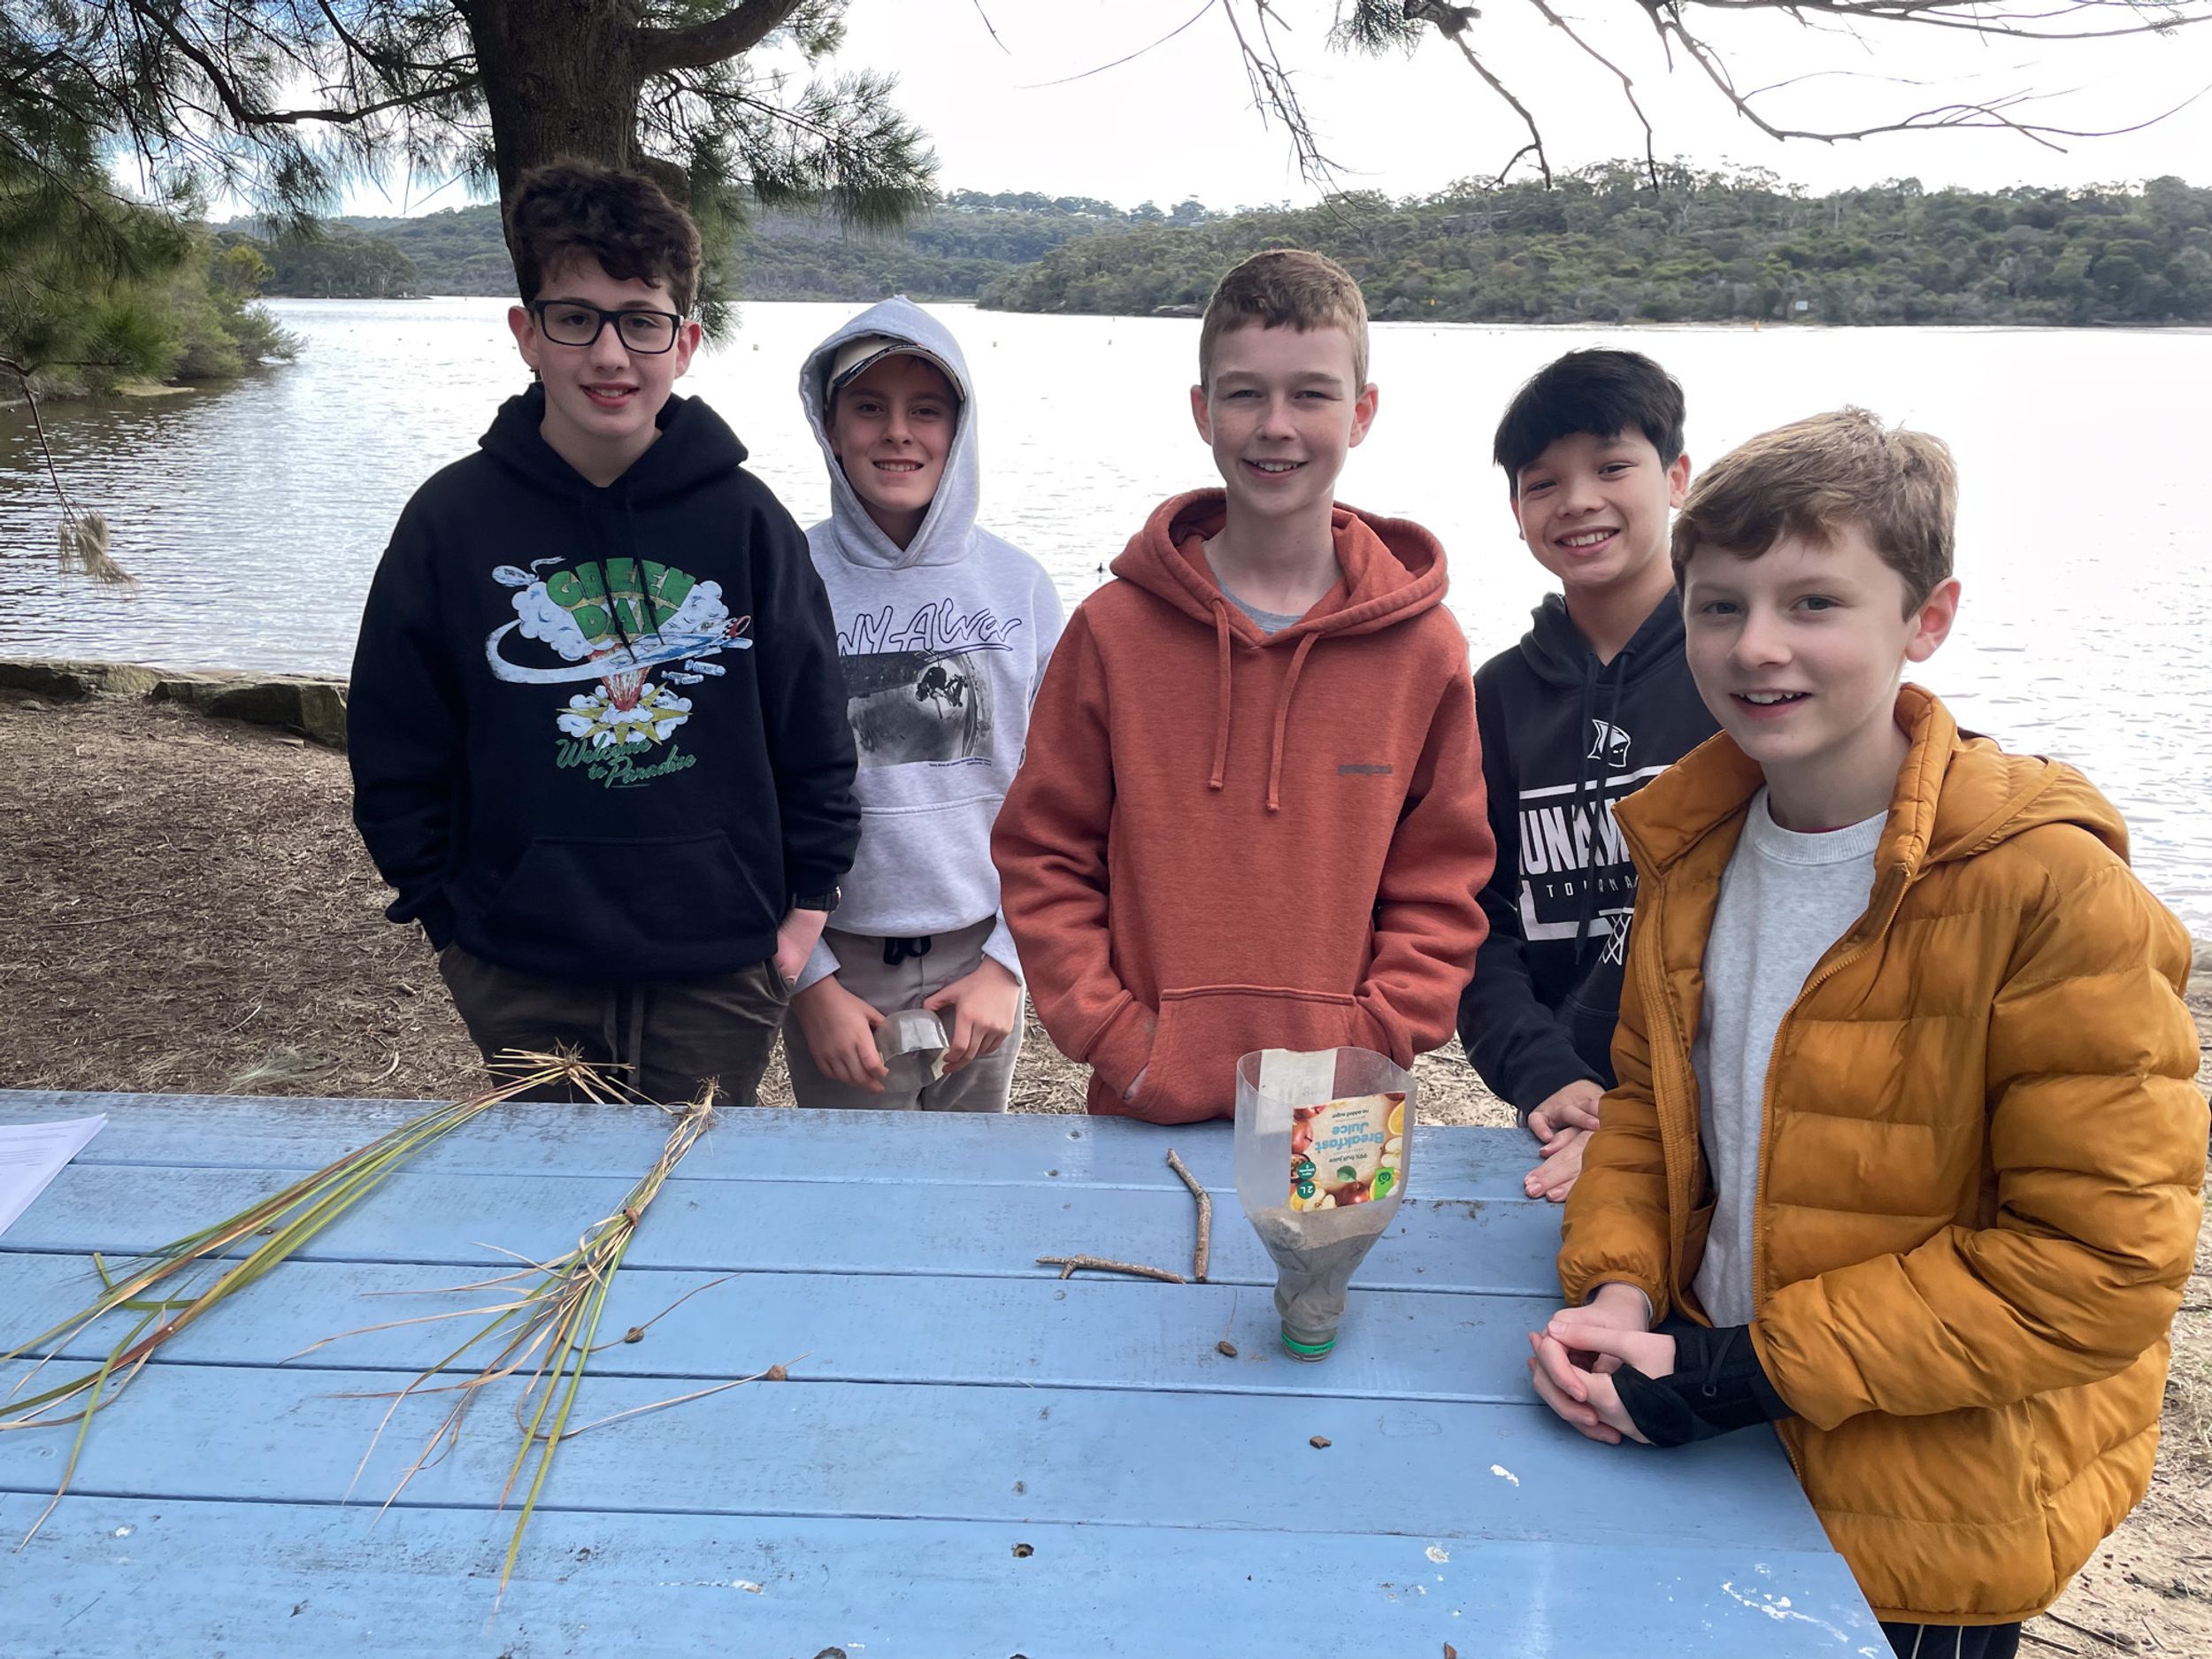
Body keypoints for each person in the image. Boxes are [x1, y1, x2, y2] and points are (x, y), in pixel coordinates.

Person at [1530, 410, 2206, 1657]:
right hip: (1715, 1432)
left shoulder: (2049, 889)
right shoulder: (1692, 842)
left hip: (1925, 1512)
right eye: (1720, 605)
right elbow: (1646, 1109)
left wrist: (1745, 1371)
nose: (1758, 645)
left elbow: (2100, 1267)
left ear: (1926, 619)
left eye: (1815, 602)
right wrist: (1620, 1288)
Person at [348, 159, 858, 1105]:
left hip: (722, 963)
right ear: (527, 334)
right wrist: (448, 922)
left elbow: (815, 730)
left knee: (690, 1185)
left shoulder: (747, 522)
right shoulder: (450, 521)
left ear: (685, 342)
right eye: (575, 318)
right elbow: (395, 738)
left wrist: (806, 908)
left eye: (641, 321)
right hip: (519, 964)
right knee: (549, 1190)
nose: (610, 355)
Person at [992, 250, 1494, 1124]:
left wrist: (1372, 1039)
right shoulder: (1112, 630)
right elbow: (1045, 854)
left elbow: (1442, 883)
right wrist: (1116, 1036)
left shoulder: (1425, 648)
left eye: (1311, 394)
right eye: (1244, 393)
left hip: (1343, 1110)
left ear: (1362, 412)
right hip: (1143, 1100)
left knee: (1329, 1231)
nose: (1276, 425)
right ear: (1202, 410)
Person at [784, 298, 1064, 1110]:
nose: (898, 433)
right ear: (830, 427)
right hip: (838, 966)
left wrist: (1009, 963)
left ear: (960, 427)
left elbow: (1069, 800)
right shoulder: (786, 578)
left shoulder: (1021, 588)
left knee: (968, 1178)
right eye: (869, 408)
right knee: (853, 1180)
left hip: (980, 961)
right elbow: (751, 796)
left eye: (926, 410)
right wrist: (811, 982)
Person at [1456, 349, 1717, 1203]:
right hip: (1562, 1108)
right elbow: (1475, 916)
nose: (1577, 500)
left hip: (1721, 1111)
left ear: (1676, 477)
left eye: (1611, 467)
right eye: (1544, 482)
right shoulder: (1496, 698)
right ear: (1516, 510)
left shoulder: (1738, 672)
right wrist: (1546, 1074)